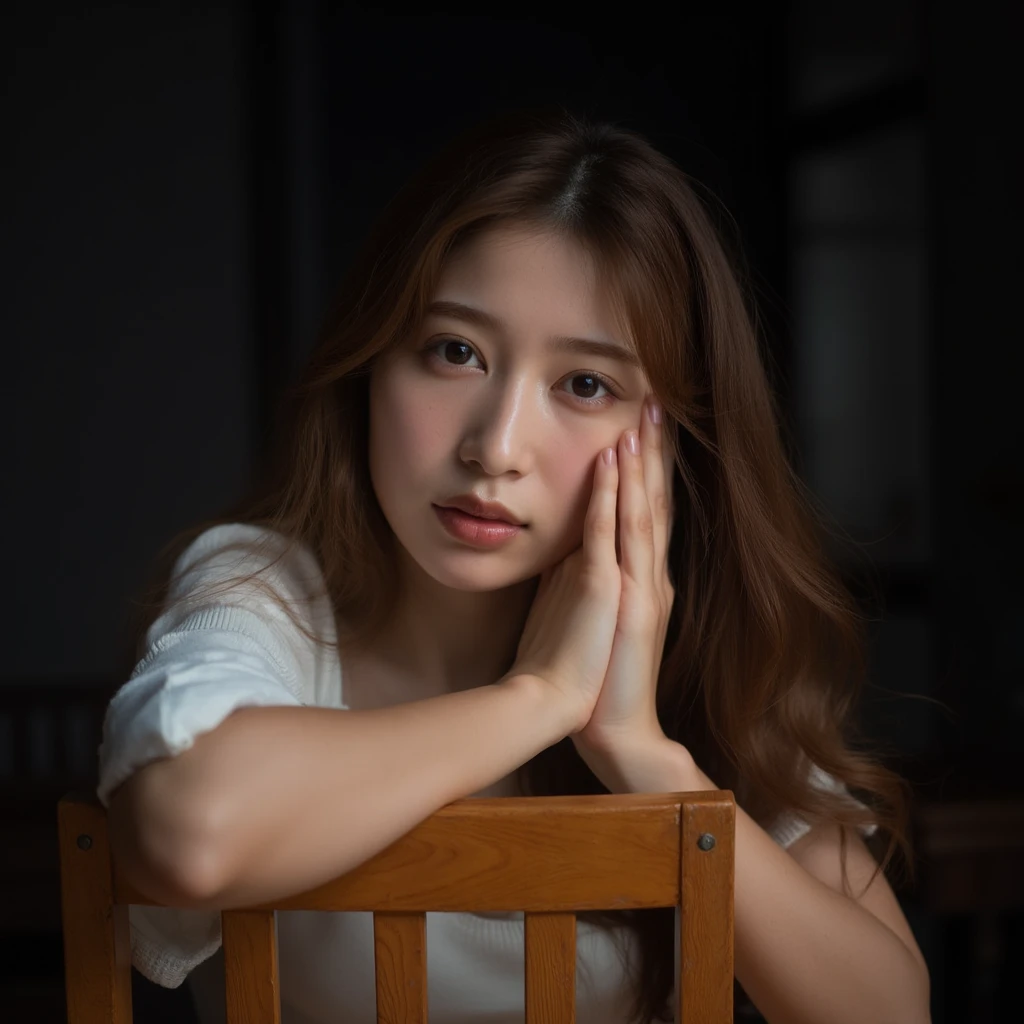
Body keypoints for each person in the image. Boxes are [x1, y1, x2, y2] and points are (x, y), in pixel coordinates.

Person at [97, 106, 930, 1024]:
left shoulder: (697, 660)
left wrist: (642, 755)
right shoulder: (266, 592)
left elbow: (889, 1012)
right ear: (373, 365)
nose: (496, 448)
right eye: (455, 352)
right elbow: (186, 833)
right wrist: (538, 698)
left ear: (677, 445)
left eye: (585, 385)